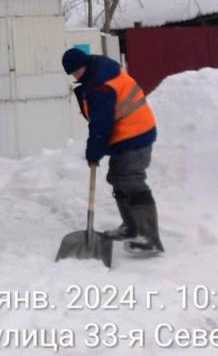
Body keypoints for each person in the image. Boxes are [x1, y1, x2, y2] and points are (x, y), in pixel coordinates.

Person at [61, 48, 164, 256]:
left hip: (136, 134)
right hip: (127, 133)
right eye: (72, 73)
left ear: (85, 64)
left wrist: (94, 152)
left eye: (77, 71)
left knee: (131, 180)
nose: (76, 76)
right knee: (118, 178)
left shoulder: (101, 86)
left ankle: (148, 237)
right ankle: (131, 227)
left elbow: (101, 126)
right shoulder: (99, 72)